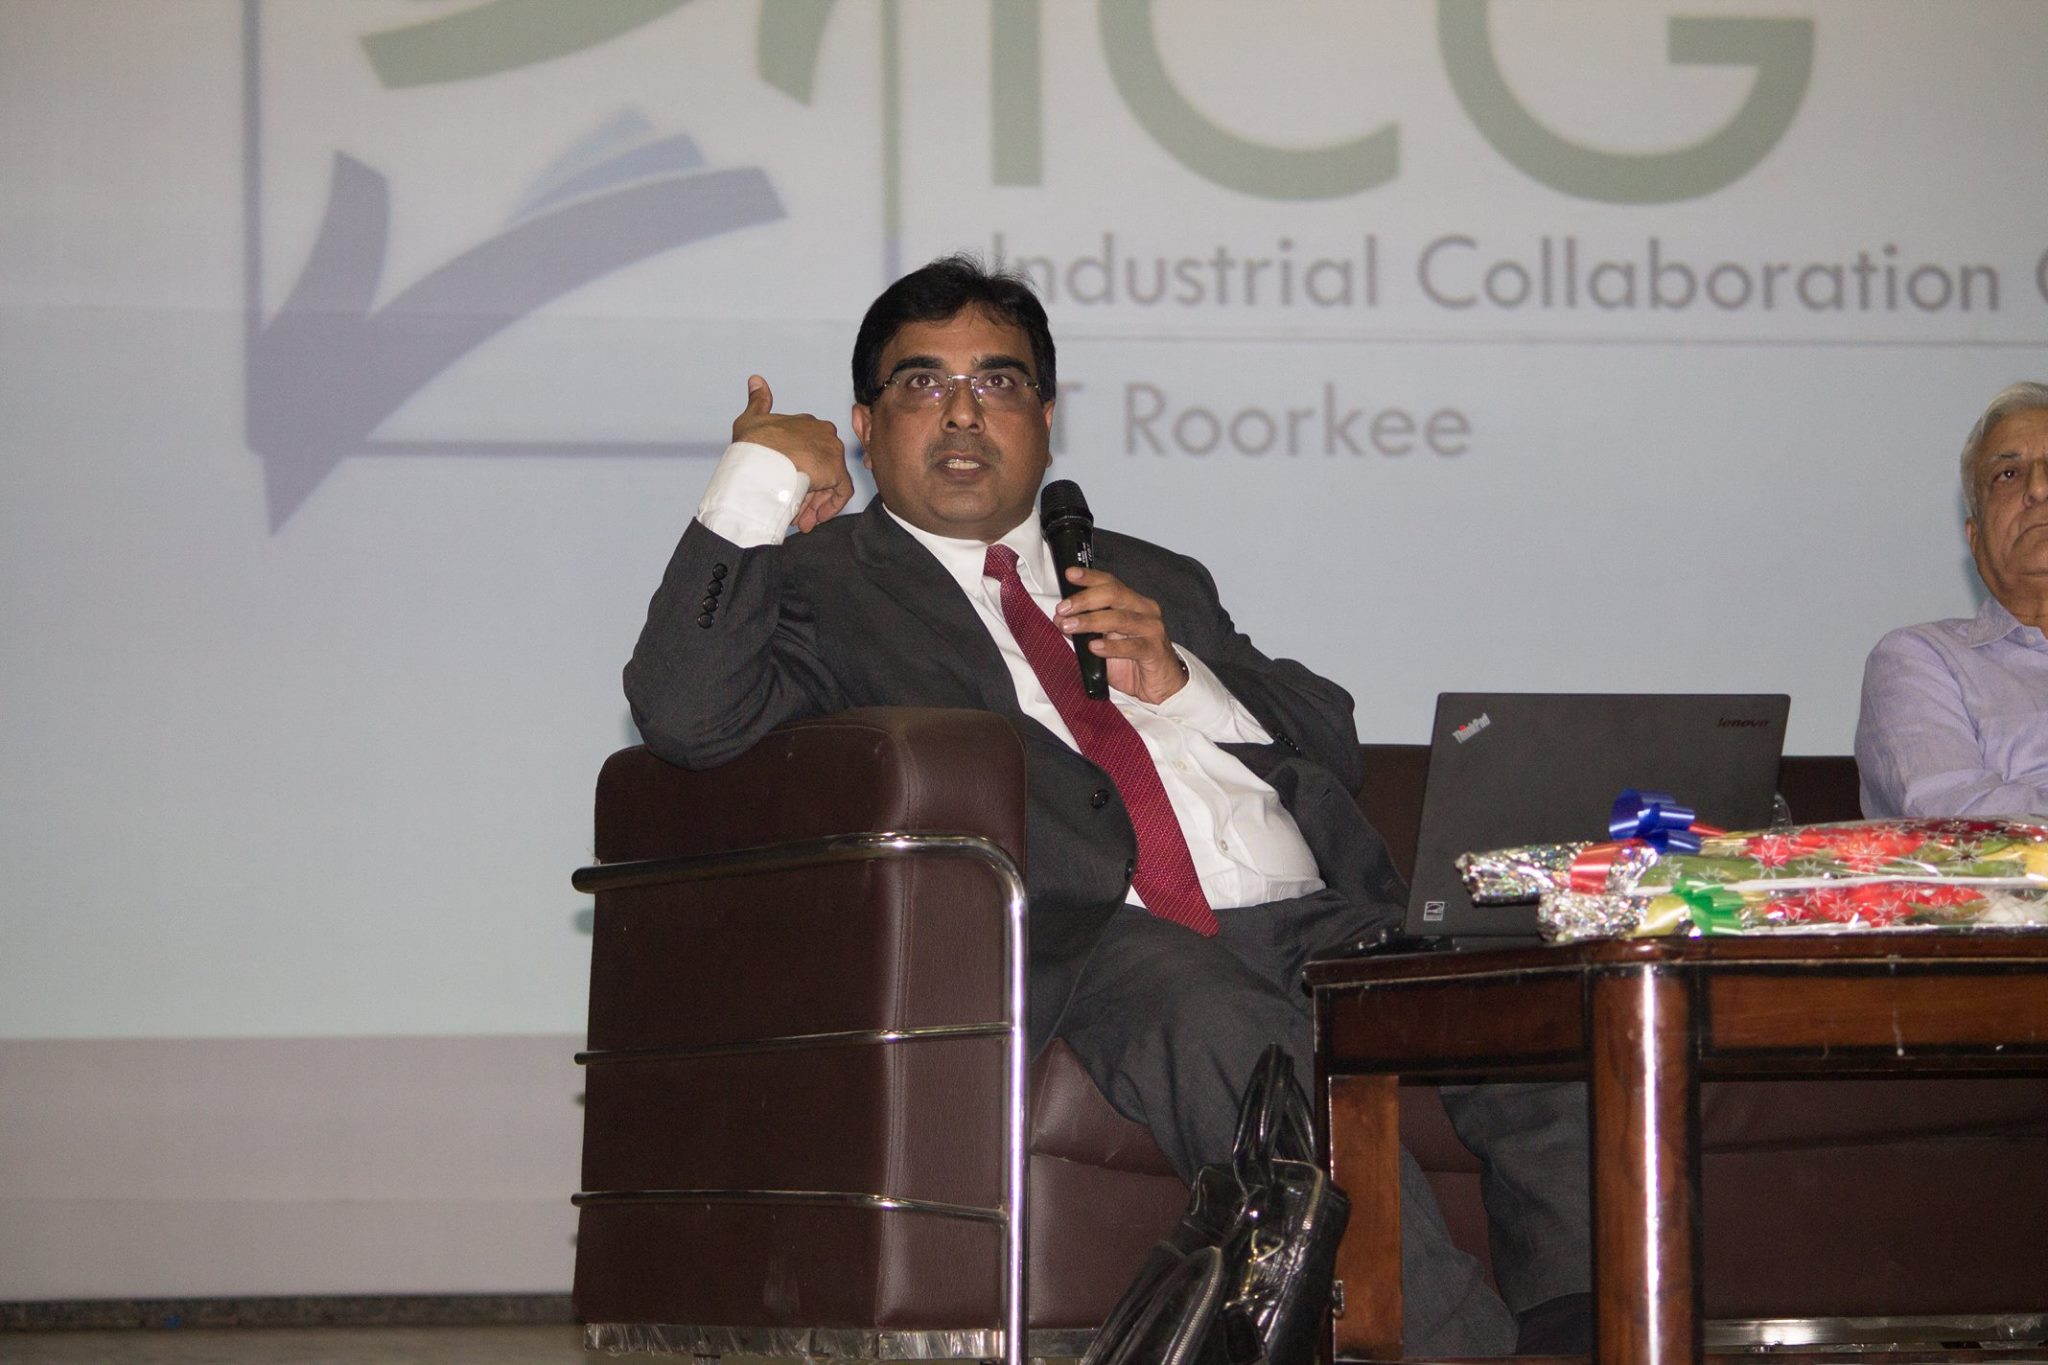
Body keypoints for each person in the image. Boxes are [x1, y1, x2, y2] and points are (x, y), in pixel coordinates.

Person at [625, 255, 1588, 1356]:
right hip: (1100, 936)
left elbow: (1330, 735)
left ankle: (1593, 1331)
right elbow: (686, 716)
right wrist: (755, 477)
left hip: (1317, 920)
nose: (961, 414)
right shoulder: (820, 581)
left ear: (1044, 418)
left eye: (997, 382)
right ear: (863, 425)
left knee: (1535, 1012)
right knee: (1223, 1026)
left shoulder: (1147, 571)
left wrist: (1182, 679)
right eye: (922, 383)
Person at [1857, 381, 2048, 817]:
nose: (2039, 488)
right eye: (2008, 474)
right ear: (1976, 541)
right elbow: (1955, 818)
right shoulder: (1919, 659)